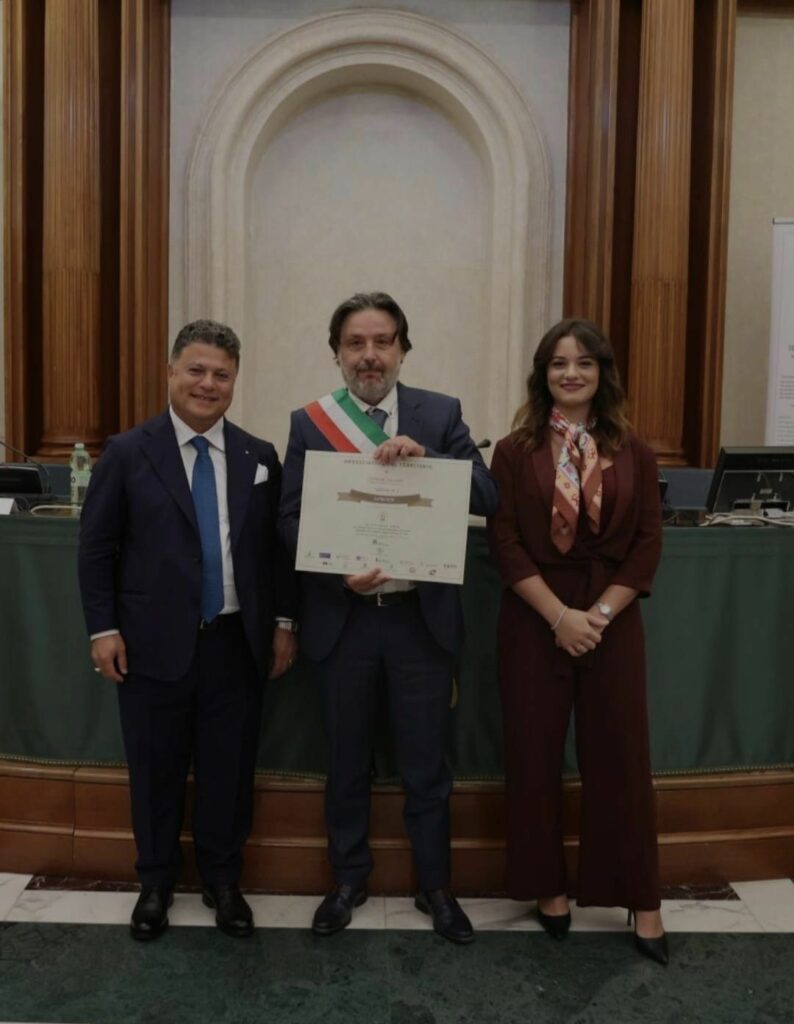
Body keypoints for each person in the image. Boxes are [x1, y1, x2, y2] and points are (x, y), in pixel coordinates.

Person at [278, 292, 498, 944]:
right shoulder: (310, 422)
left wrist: (431, 461)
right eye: (356, 343)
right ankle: (348, 881)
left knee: (427, 765)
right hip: (343, 619)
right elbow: (287, 519)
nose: (369, 355)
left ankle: (436, 886)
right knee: (345, 760)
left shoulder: (441, 413)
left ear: (403, 349)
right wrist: (334, 572)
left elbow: (488, 495)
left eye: (382, 342)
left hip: (417, 623)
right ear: (337, 353)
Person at [78, 319, 297, 941]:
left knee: (229, 769)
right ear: (171, 371)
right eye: (196, 370)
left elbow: (276, 552)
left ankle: (224, 881)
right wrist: (103, 628)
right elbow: (95, 549)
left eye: (221, 374)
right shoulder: (128, 452)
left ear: (235, 381)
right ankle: (155, 883)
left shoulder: (259, 456)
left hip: (236, 641)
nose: (208, 384)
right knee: (155, 768)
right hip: (150, 644)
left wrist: (284, 621)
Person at [487, 317, 668, 965]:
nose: (571, 373)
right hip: (534, 616)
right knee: (533, 756)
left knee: (621, 758)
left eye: (584, 362)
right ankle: (548, 890)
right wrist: (558, 616)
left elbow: (647, 544)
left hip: (611, 620)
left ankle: (640, 898)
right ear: (543, 374)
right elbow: (505, 542)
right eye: (559, 363)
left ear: (602, 373)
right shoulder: (513, 451)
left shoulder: (635, 450)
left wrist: (596, 615)